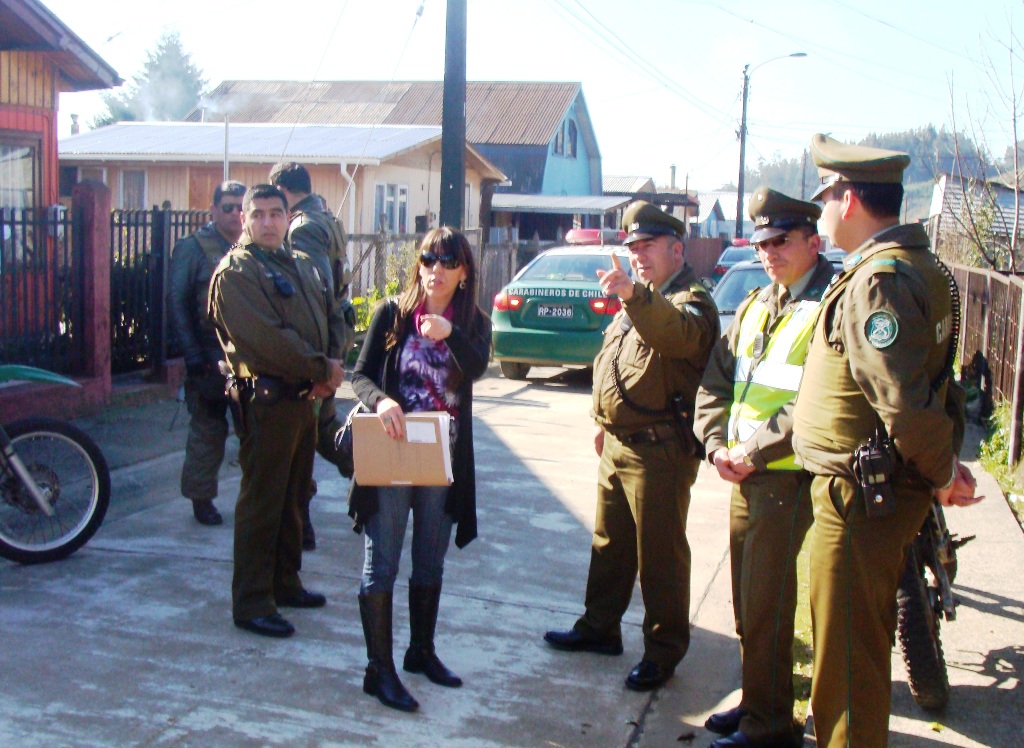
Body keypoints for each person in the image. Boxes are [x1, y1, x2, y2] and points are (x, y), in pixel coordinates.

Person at [792, 134, 982, 747]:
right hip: (869, 496)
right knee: (857, 656)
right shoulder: (909, 267)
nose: (820, 211)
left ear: (849, 200)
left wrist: (944, 471)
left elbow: (902, 398)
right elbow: (934, 380)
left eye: (825, 197)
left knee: (846, 667)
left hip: (857, 504)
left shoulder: (880, 280)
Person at [544, 201, 719, 692]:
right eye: (633, 248)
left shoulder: (690, 300)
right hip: (618, 443)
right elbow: (613, 359)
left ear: (677, 249)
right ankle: (600, 628)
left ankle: (663, 652)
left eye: (648, 247)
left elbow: (678, 337)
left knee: (659, 557)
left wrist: (634, 296)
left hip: (659, 450)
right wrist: (602, 419)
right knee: (609, 545)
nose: (638, 256)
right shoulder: (641, 297)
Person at [694, 187, 835, 748]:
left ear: (813, 242)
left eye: (782, 241)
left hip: (786, 477)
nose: (769, 251)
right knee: (747, 604)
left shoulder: (829, 307)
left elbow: (819, 404)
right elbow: (716, 379)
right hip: (742, 475)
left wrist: (751, 454)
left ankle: (771, 728)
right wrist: (712, 443)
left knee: (768, 605)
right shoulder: (756, 303)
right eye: (762, 243)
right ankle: (759, 702)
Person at [348, 227, 491, 712]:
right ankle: (378, 671)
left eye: (448, 261)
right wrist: (382, 399)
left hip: (443, 459)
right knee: (381, 560)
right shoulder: (392, 314)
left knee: (430, 560)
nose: (436, 269)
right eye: (428, 259)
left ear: (464, 271)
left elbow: (477, 367)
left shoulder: (473, 322)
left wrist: (451, 334)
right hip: (391, 455)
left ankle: (420, 651)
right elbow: (359, 375)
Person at [208, 184, 345, 639]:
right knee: (262, 503)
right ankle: (251, 601)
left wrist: (331, 363)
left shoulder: (302, 265)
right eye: (259, 214)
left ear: (289, 218)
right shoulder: (236, 272)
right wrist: (321, 368)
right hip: (267, 403)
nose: (268, 222)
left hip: (305, 400)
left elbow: (329, 317)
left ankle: (285, 583)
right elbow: (266, 340)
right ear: (245, 220)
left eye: (276, 213)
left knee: (293, 499)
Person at [269, 161, 356, 550]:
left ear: (285, 192)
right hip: (330, 335)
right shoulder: (325, 218)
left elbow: (314, 288)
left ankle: (302, 523)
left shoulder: (303, 227)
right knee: (318, 430)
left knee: (306, 435)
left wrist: (319, 356)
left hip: (318, 341)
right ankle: (364, 476)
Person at [168, 179, 246, 526]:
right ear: (213, 210)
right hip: (209, 354)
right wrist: (193, 356)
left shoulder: (254, 245)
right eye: (227, 207)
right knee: (207, 431)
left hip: (249, 357)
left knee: (255, 431)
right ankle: (201, 500)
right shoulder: (193, 248)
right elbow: (178, 303)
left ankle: (259, 498)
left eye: (240, 207)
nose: (234, 214)